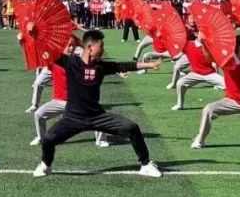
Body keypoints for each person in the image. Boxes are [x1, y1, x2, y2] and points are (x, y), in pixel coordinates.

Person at [33, 29, 162, 179]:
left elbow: (124, 66)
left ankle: (145, 165)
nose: (103, 50)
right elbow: (46, 49)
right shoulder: (70, 62)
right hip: (73, 118)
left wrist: (150, 65)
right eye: (101, 46)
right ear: (90, 47)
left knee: (132, 128)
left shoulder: (101, 66)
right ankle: (46, 165)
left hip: (97, 116)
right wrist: (34, 33)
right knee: (48, 139)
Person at [28, 38, 107, 148]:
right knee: (39, 114)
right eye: (68, 45)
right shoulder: (54, 60)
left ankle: (101, 140)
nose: (71, 48)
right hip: (59, 101)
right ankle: (40, 138)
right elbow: (39, 50)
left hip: (78, 102)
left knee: (98, 114)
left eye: (73, 45)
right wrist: (32, 36)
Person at [171, 31, 225, 111]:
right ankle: (179, 104)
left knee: (227, 85)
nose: (204, 35)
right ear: (196, 34)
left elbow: (216, 59)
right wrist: (175, 56)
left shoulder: (210, 46)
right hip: (195, 73)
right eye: (202, 32)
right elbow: (179, 51)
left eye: (205, 33)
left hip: (210, 74)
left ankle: (232, 103)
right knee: (180, 83)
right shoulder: (188, 44)